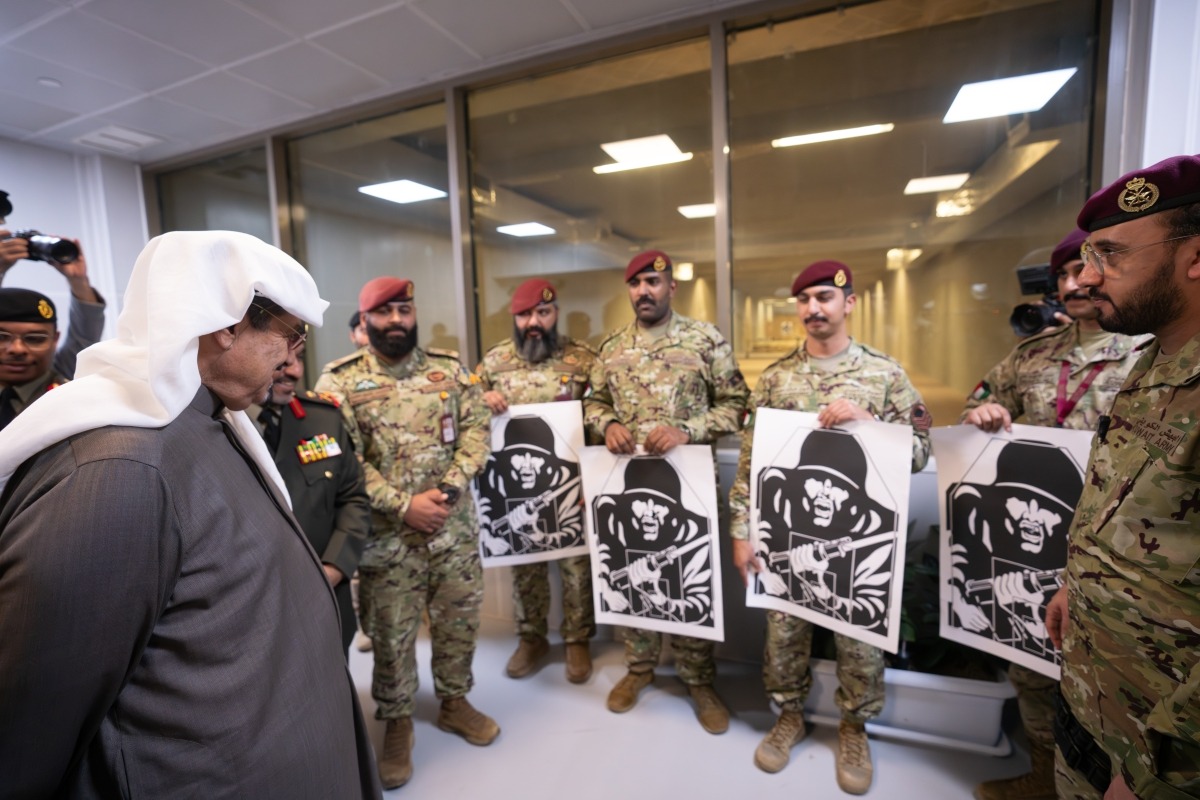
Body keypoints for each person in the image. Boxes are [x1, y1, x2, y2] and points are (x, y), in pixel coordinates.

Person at [0, 230, 381, 798]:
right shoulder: (118, 470)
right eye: (289, 335)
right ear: (227, 324)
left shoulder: (204, 420)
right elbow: (31, 725)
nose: (290, 358)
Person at [960, 228, 1150, 800]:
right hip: (1036, 537)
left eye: (1081, 269)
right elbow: (979, 401)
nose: (1072, 285)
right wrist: (984, 413)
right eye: (1061, 275)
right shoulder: (1033, 354)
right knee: (1035, 661)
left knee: (1116, 680)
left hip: (1121, 549)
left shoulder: (1152, 352)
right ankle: (1044, 775)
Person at [728, 260, 931, 794]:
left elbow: (920, 452)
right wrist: (741, 531)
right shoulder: (777, 377)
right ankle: (789, 714)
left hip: (857, 546)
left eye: (824, 297)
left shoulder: (884, 375)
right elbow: (751, 462)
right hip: (785, 536)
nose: (813, 308)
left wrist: (872, 424)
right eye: (804, 300)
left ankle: (854, 726)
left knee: (860, 641)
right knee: (783, 633)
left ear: (849, 303)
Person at [1045, 154, 1200, 800]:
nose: (1086, 277)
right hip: (1098, 691)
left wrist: (1159, 770)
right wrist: (1075, 586)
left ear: (1195, 256)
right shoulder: (1153, 364)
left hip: (1161, 751)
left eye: (1110, 255)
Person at [316, 277, 495, 790]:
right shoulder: (340, 382)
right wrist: (404, 505)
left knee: (459, 622)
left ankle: (454, 702)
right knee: (391, 635)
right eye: (385, 312)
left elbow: (477, 431)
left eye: (405, 309)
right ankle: (397, 722)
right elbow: (344, 460)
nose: (397, 320)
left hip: (452, 531)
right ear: (365, 319)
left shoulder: (450, 370)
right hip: (387, 541)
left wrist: (449, 490)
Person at [583, 249, 749, 735]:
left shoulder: (704, 340)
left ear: (671, 287)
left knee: (689, 575)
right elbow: (592, 402)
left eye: (653, 282)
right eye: (636, 284)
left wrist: (687, 430)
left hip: (688, 488)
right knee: (634, 570)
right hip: (630, 488)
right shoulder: (612, 346)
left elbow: (738, 406)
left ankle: (699, 679)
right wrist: (607, 422)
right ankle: (639, 668)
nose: (644, 291)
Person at [475, 278, 596, 683]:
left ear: (555, 313)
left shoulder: (582, 359)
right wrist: (482, 399)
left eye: (542, 313)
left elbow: (601, 411)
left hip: (570, 482)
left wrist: (597, 474)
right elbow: (464, 407)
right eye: (525, 314)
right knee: (525, 563)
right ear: (514, 317)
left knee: (576, 565)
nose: (533, 322)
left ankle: (578, 639)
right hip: (516, 487)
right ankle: (532, 638)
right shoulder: (494, 363)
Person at [256, 342, 370, 657]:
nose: (294, 370)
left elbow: (352, 497)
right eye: (281, 360)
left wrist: (334, 566)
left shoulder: (323, 418)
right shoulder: (218, 424)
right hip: (256, 609)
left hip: (325, 597)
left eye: (299, 358)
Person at [0, 228, 107, 381]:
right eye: (1, 337)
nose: (17, 349)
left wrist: (78, 280)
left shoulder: (61, 382)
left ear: (54, 340)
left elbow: (84, 336)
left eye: (34, 339)